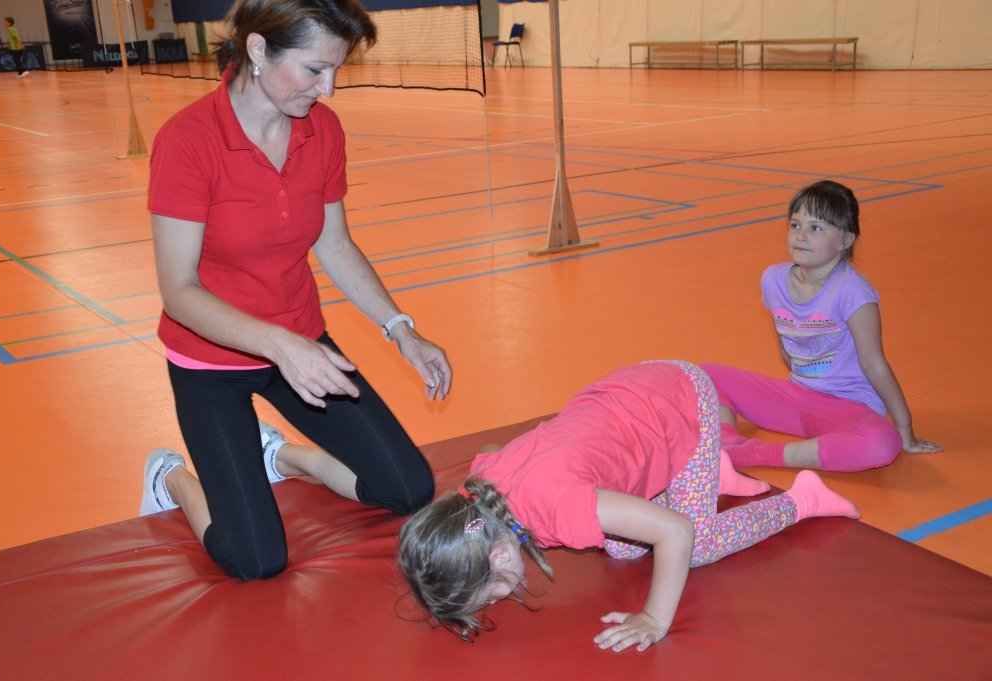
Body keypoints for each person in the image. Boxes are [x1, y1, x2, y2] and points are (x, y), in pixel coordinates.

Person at [140, 0, 451, 581]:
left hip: (303, 348)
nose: (327, 89)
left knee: (407, 488)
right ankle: (171, 479)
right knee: (256, 560)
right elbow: (178, 290)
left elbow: (334, 244)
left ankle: (278, 454)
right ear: (258, 50)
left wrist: (401, 329)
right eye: (314, 69)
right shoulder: (188, 140)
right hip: (212, 362)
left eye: (336, 70)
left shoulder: (321, 130)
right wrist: (281, 346)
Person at [397, 361, 858, 652]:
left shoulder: (562, 509)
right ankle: (711, 474)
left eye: (493, 594)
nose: (502, 600)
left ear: (499, 554)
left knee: (697, 545)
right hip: (629, 393)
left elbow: (676, 531)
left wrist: (654, 619)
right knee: (623, 546)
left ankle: (802, 499)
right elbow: (495, 448)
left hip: (680, 401)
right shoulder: (480, 488)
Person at [702, 180, 941, 472]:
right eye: (795, 225)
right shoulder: (773, 279)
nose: (801, 235)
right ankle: (727, 444)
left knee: (882, 443)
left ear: (845, 240)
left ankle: (757, 455)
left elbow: (874, 364)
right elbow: (788, 348)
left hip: (845, 407)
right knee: (703, 375)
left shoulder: (853, 291)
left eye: (816, 228)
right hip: (797, 399)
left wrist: (904, 429)